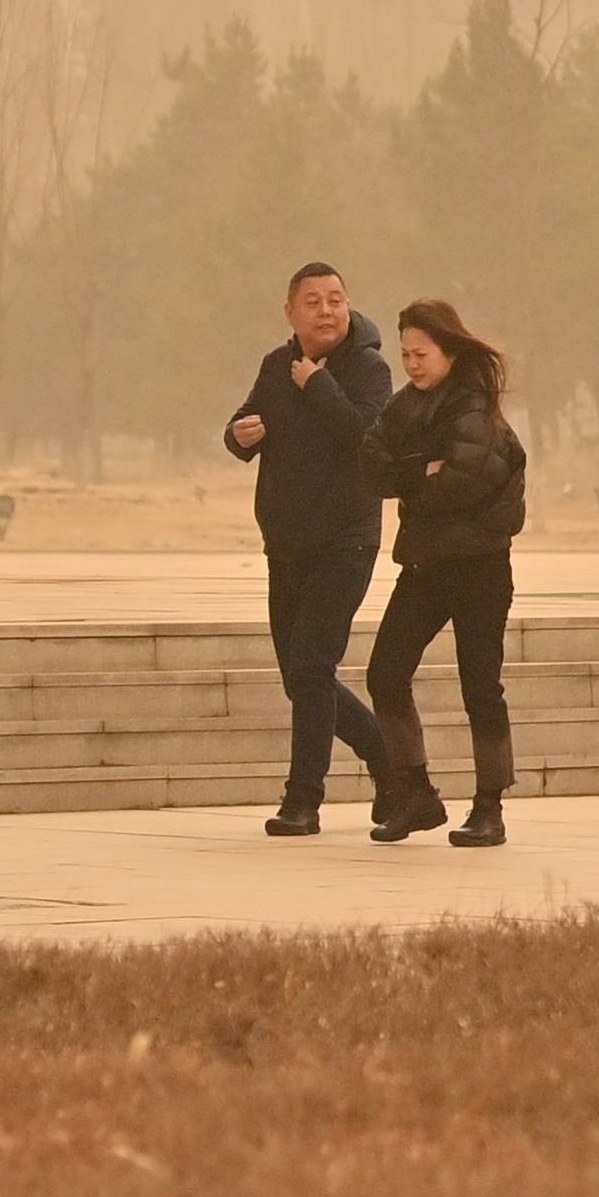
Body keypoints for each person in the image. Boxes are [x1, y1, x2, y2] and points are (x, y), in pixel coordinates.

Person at [221, 262, 392, 836]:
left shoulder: (369, 369)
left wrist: (317, 384)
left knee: (314, 666)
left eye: (336, 300)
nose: (326, 311)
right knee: (300, 677)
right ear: (290, 312)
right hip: (286, 543)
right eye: (313, 301)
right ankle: (391, 760)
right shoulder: (277, 364)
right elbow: (246, 421)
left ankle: (303, 800)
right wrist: (239, 434)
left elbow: (365, 438)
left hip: (346, 540)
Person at [361, 298, 529, 848]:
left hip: (480, 569)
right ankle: (416, 794)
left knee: (481, 688)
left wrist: (412, 477)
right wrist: (420, 470)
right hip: (425, 565)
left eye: (422, 354)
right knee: (385, 673)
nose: (412, 364)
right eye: (406, 354)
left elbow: (463, 481)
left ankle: (489, 806)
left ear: (450, 352)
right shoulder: (406, 406)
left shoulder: (474, 408)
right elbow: (371, 464)